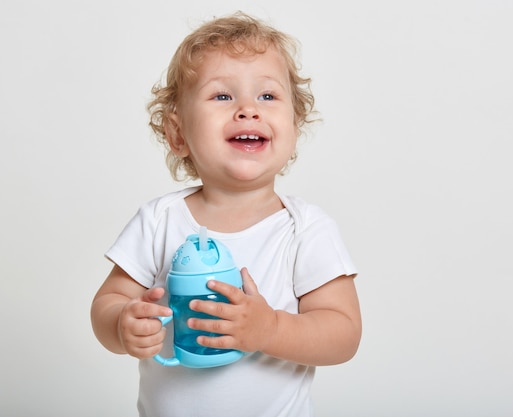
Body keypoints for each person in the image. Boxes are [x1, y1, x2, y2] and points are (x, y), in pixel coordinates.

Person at [91, 11, 361, 417]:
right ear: (177, 132)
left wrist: (270, 328)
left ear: (294, 123)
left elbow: (343, 333)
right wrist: (121, 324)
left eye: (268, 96)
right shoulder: (159, 220)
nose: (248, 109)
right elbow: (108, 301)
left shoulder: (305, 229)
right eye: (222, 96)